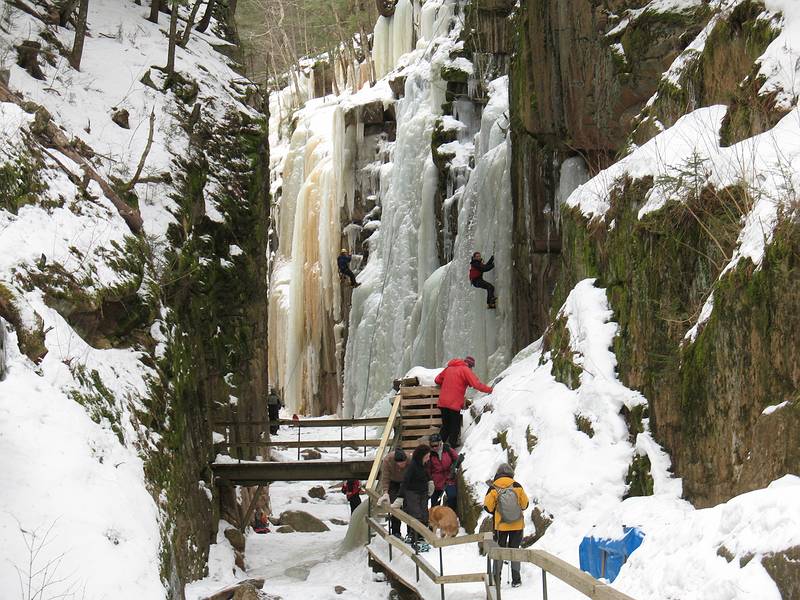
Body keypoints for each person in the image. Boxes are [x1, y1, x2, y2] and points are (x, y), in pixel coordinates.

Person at [483, 463, 529, 588]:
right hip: (517, 525)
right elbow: (525, 505)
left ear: (498, 473)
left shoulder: (493, 487)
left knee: (498, 552)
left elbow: (487, 506)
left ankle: (496, 579)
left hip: (500, 526)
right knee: (515, 550)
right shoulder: (517, 486)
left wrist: (497, 511)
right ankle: (516, 580)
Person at [434, 356, 492, 447]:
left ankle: (436, 447)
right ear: (470, 365)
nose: (471, 369)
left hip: (443, 402)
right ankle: (451, 449)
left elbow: (437, 380)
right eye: (472, 367)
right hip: (454, 403)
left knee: (445, 426)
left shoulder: (449, 368)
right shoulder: (465, 370)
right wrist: (490, 390)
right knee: (455, 427)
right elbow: (476, 384)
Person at [398, 444, 434, 552]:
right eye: (427, 456)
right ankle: (415, 537)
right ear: (421, 456)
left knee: (424, 515)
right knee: (416, 514)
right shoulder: (412, 466)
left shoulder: (424, 465)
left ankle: (421, 537)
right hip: (412, 493)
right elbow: (405, 482)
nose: (428, 458)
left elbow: (426, 475)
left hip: (423, 493)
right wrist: (400, 497)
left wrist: (430, 482)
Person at [379, 448, 409, 538]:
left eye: (404, 463)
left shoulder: (410, 459)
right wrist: (385, 492)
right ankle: (396, 531)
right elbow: (385, 477)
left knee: (409, 506)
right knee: (395, 506)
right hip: (393, 482)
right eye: (400, 463)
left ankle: (410, 532)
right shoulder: (387, 460)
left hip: (406, 482)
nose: (402, 465)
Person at [426, 433, 461, 510]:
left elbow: (457, 459)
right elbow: (428, 469)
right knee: (434, 504)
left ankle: (451, 514)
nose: (434, 448)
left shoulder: (447, 450)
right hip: (436, 482)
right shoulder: (430, 455)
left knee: (452, 497)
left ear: (440, 443)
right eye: (432, 446)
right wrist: (430, 481)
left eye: (436, 445)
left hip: (449, 479)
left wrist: (454, 468)